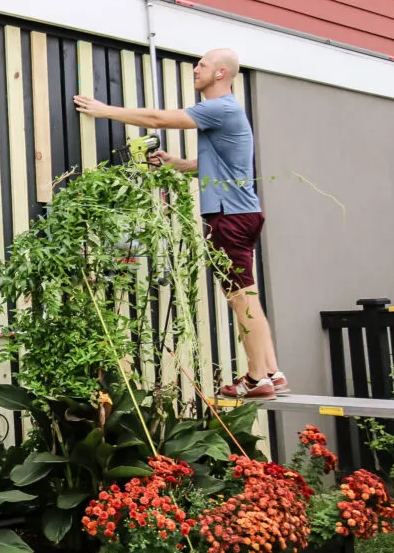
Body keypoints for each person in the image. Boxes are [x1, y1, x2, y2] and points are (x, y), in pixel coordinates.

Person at [72, 48, 287, 399]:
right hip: (242, 212)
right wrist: (177, 164)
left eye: (201, 65)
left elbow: (157, 119)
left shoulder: (220, 107)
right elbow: (220, 167)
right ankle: (271, 372)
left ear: (220, 73)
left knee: (239, 299)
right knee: (247, 295)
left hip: (228, 217)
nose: (195, 69)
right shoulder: (229, 113)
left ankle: (256, 378)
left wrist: (104, 110)